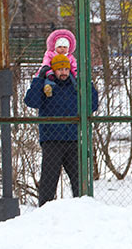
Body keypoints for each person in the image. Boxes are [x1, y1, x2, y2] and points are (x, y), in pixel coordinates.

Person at [24, 53, 98, 207]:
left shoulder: (75, 86)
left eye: (66, 69)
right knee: (48, 182)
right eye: (60, 69)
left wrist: (87, 81)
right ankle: (44, 211)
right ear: (53, 71)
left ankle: (84, 210)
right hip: (52, 141)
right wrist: (39, 79)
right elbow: (31, 101)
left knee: (79, 181)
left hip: (73, 139)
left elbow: (92, 104)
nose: (63, 72)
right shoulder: (47, 86)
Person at [39, 29, 78, 97]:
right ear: (55, 47)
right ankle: (48, 88)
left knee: (72, 76)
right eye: (59, 47)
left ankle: (76, 86)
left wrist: (76, 73)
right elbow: (46, 63)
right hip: (52, 71)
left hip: (66, 72)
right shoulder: (50, 54)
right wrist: (49, 71)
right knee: (48, 79)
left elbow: (73, 66)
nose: (62, 49)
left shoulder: (70, 57)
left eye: (65, 47)